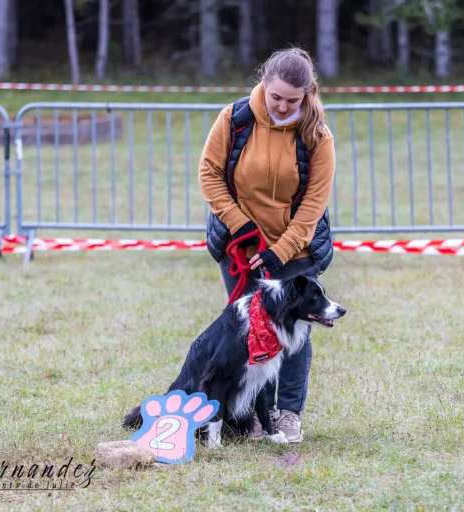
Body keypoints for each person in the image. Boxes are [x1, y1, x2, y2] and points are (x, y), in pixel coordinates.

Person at [198, 47, 336, 443]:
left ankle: (289, 413)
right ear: (264, 83)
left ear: (307, 93)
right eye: (276, 97)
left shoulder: (318, 136)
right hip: (241, 246)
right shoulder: (234, 119)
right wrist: (239, 225)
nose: (283, 106)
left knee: (295, 333)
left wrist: (281, 251)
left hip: (296, 249)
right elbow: (209, 173)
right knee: (249, 332)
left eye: (293, 100)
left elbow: (313, 207)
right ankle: (256, 416)